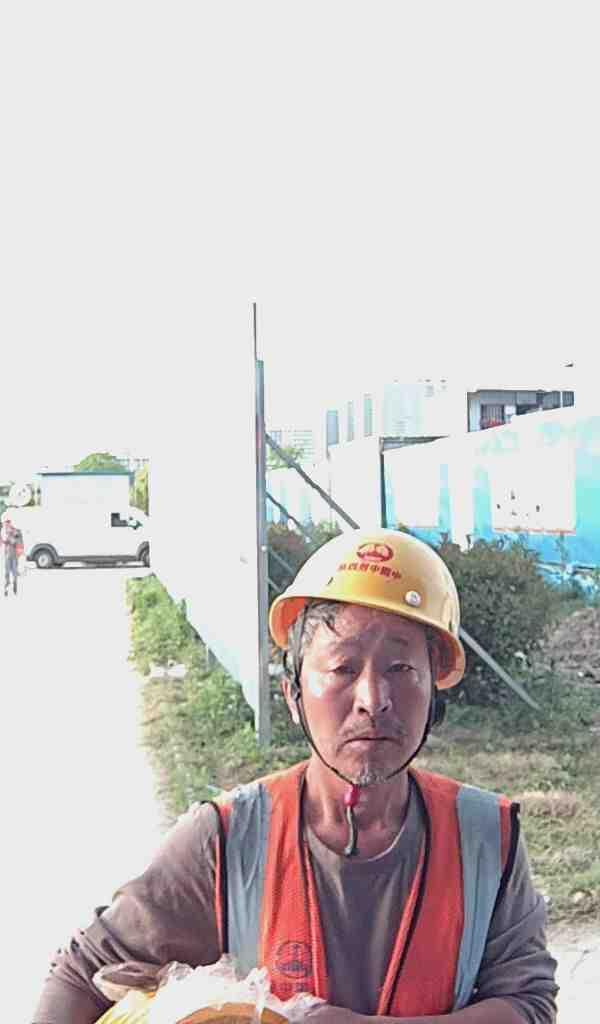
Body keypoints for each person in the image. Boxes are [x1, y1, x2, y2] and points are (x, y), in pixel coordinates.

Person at [32, 529, 558, 1024]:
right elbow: (80, 973)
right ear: (293, 696)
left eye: (401, 669)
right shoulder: (226, 840)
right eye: (343, 668)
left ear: (434, 696)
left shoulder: (485, 836)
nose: (373, 700)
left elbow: (528, 1004)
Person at [1, 514, 21, 596]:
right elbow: (3, 541)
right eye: (5, 523)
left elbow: (16, 541)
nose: (7, 524)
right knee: (6, 573)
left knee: (14, 572)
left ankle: (15, 587)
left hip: (14, 556)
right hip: (6, 556)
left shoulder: (15, 531)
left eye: (8, 522)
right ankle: (6, 588)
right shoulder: (3, 532)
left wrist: (10, 536)